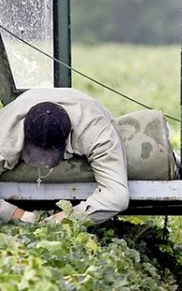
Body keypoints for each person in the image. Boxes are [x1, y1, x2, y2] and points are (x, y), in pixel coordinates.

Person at [0, 87, 129, 224]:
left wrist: (60, 221)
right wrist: (19, 215)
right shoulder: (6, 131)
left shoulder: (96, 131)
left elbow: (117, 197)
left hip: (86, 109)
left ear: (70, 131)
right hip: (24, 104)